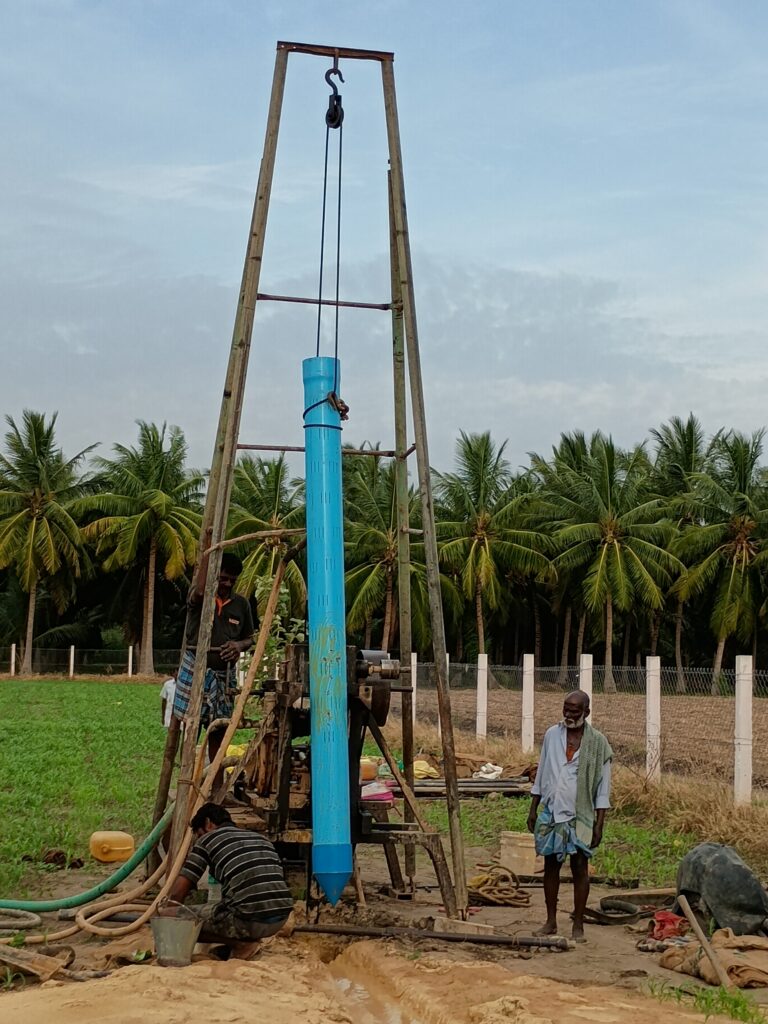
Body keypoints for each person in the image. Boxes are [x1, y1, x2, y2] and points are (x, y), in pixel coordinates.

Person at [527, 689, 612, 942]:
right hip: (552, 811)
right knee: (551, 865)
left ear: (586, 713)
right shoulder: (553, 735)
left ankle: (578, 926)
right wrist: (534, 807)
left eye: (574, 711)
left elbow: (603, 789)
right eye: (566, 709)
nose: (568, 714)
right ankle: (551, 921)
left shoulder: (598, 744)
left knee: (579, 868)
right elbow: (541, 773)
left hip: (580, 814)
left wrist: (599, 825)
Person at [165, 802, 293, 959]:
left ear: (208, 823)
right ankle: (239, 944)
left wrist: (166, 923)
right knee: (231, 908)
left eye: (199, 833)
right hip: (280, 917)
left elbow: (178, 893)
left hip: (248, 920)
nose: (199, 838)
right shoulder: (261, 839)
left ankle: (241, 945)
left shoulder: (207, 840)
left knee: (170, 916)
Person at [172, 551, 256, 764]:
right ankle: (187, 784)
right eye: (223, 578)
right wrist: (208, 550)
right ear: (214, 575)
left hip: (224, 673)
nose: (228, 584)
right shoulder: (200, 598)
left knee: (218, 730)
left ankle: (215, 786)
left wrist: (238, 645)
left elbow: (249, 638)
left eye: (232, 580)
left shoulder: (241, 604)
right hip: (195, 668)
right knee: (191, 728)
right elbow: (199, 593)